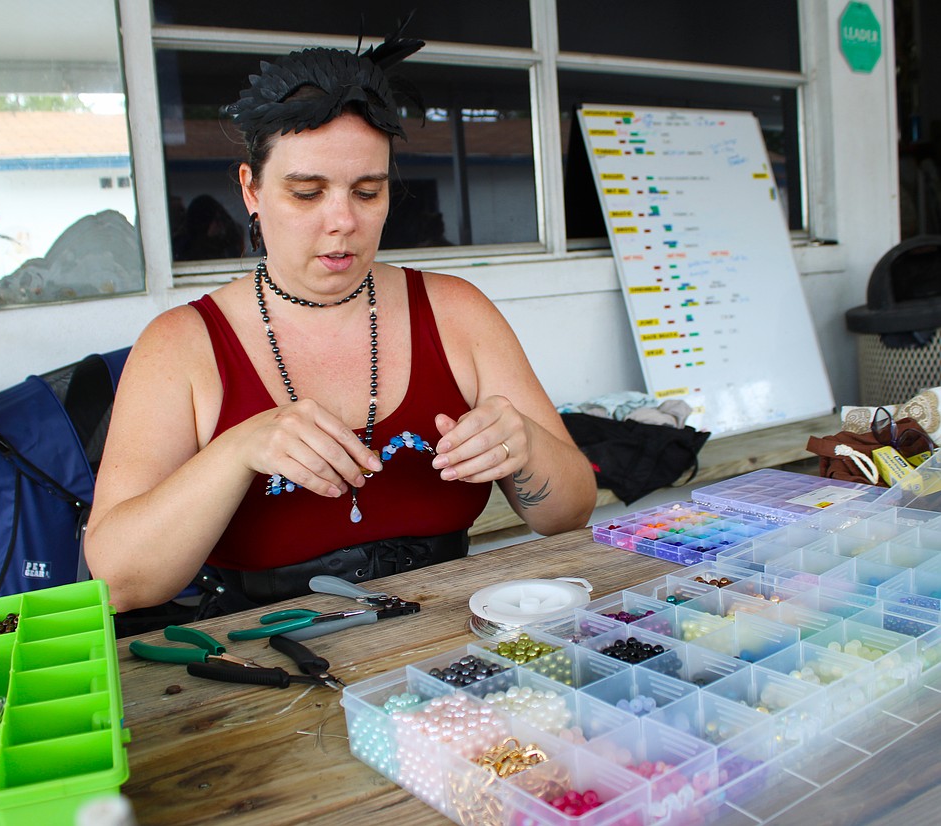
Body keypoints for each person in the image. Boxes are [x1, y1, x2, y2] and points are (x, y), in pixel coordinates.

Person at [83, 25, 596, 617]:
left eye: (367, 191)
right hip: (273, 658)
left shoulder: (457, 311)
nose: (342, 221)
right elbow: (121, 582)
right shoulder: (182, 345)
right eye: (307, 192)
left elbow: (570, 513)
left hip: (451, 635)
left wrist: (525, 447)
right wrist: (239, 448)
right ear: (251, 189)